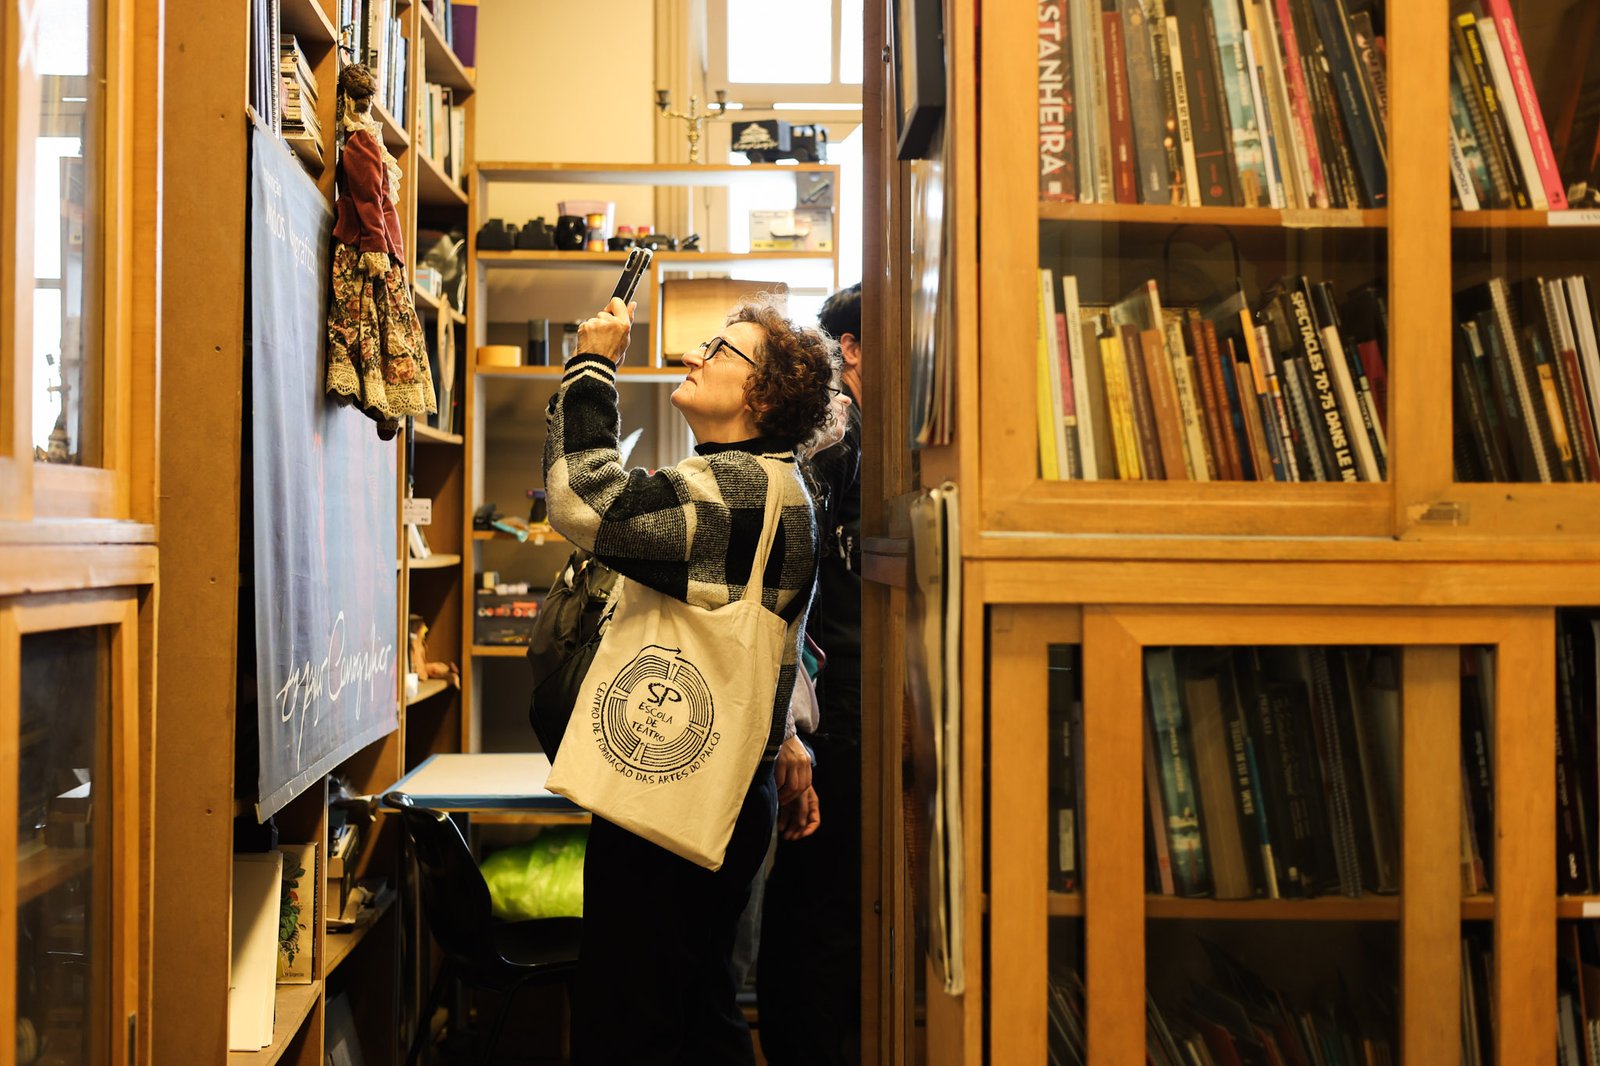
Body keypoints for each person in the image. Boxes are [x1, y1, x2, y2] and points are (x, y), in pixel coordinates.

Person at [543, 292, 838, 1066]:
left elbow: (582, 500)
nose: (691, 357)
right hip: (724, 785)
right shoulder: (779, 483)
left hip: (672, 792)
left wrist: (592, 364)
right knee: (698, 1009)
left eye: (718, 350)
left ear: (764, 394)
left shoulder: (736, 487)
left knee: (629, 1019)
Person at [758, 283, 865, 1066]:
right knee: (816, 913)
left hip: (845, 706)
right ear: (850, 348)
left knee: (823, 908)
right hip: (827, 713)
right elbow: (787, 584)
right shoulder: (833, 436)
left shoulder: (870, 432)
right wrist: (791, 728)